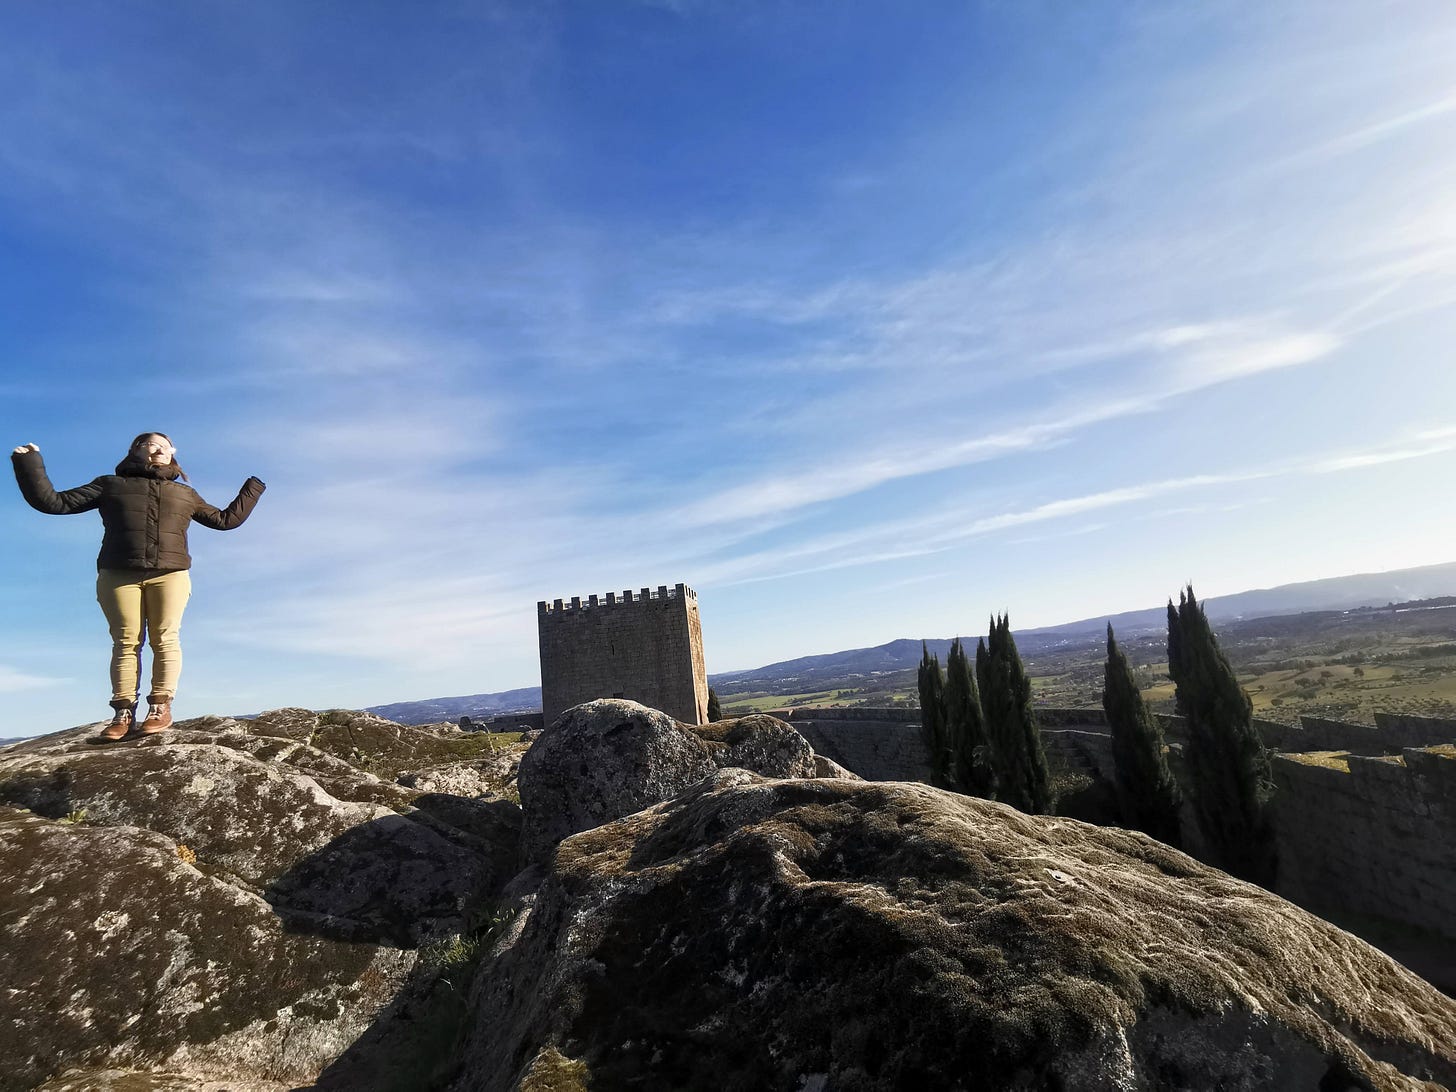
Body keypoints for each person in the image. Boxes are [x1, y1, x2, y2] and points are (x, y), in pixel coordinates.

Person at [11, 434, 265, 740]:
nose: (157, 448)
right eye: (149, 444)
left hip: (170, 574)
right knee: (126, 642)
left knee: (165, 638)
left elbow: (225, 520)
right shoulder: (109, 485)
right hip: (119, 573)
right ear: (135, 451)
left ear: (173, 453)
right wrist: (29, 463)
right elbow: (54, 502)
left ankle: (160, 707)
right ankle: (122, 714)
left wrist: (254, 487)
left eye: (164, 445)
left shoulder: (184, 493)